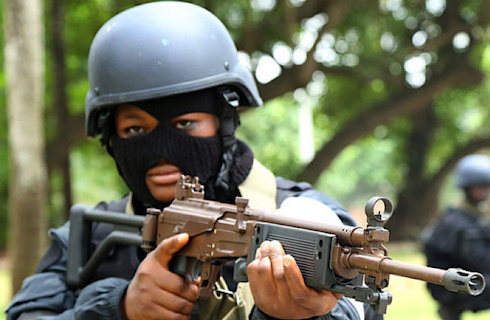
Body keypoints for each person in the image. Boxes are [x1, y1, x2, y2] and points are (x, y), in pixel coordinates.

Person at [6, 2, 381, 320]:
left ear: (225, 125)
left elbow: (357, 305)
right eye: (136, 130)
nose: (162, 150)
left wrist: (293, 314)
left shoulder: (305, 217)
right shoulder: (90, 236)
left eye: (185, 124)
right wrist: (119, 306)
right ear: (111, 138)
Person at [422, 154, 490, 320]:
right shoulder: (458, 222)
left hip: (462, 280)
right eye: (479, 187)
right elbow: (484, 260)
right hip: (453, 288)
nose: (485, 191)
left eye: (487, 186)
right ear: (467, 188)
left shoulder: (473, 215)